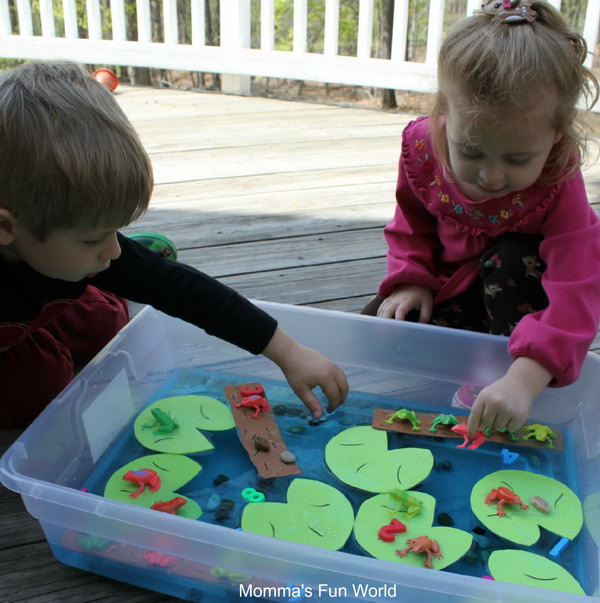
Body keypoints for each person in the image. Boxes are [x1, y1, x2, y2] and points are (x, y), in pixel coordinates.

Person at [0, 60, 348, 429]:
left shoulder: (85, 246)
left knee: (108, 321)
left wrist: (289, 353)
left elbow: (184, 290)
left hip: (46, 277)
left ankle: (93, 283)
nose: (115, 250)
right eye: (93, 238)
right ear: (6, 226)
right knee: (45, 379)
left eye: (115, 231)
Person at [363, 0, 600, 437]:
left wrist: (527, 377)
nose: (490, 176)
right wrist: (411, 279)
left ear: (557, 135)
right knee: (377, 325)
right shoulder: (422, 147)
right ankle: (466, 363)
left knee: (511, 258)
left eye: (517, 157)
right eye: (470, 150)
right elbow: (410, 223)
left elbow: (578, 283)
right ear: (442, 117)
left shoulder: (558, 177)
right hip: (451, 288)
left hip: (521, 307)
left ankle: (504, 375)